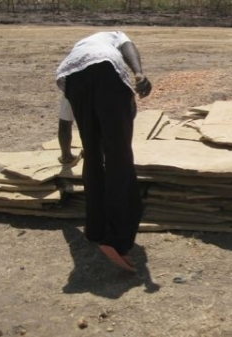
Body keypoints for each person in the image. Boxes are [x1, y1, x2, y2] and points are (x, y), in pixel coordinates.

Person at [56, 31, 152, 272]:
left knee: (92, 154)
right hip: (108, 70)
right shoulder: (113, 37)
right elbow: (128, 44)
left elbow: (64, 126)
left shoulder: (77, 63)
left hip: (68, 77)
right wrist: (138, 72)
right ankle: (117, 241)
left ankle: (96, 230)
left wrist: (66, 155)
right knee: (119, 157)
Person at [57, 96, 76, 164]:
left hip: (72, 89)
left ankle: (66, 156)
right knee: (92, 121)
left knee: (65, 121)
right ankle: (93, 154)